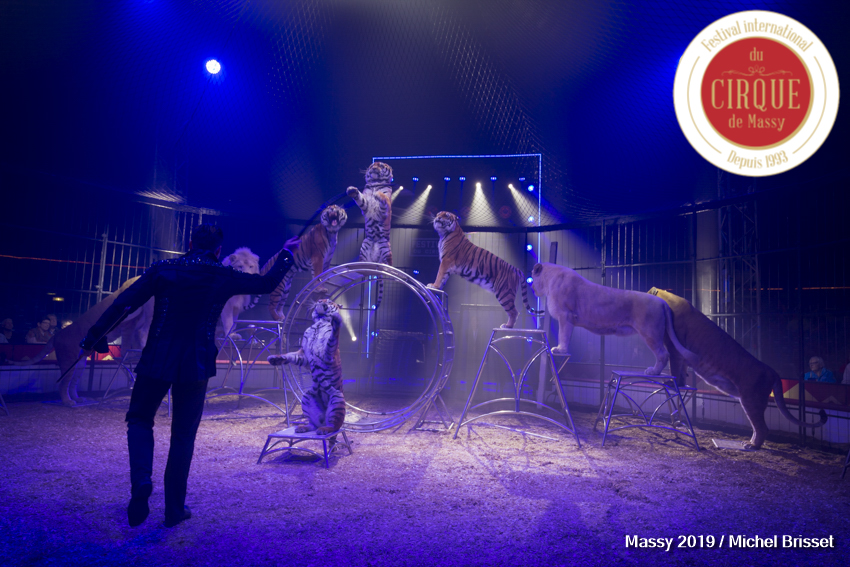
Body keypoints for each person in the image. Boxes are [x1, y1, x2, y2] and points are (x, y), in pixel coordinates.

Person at [81, 224, 299, 528]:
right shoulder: (223, 275)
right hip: (195, 364)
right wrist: (287, 253)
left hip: (156, 359)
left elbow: (125, 302)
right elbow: (267, 283)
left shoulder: (163, 269)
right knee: (183, 436)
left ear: (189, 242)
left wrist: (96, 334)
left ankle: (142, 480)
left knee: (140, 420)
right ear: (219, 251)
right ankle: (174, 510)